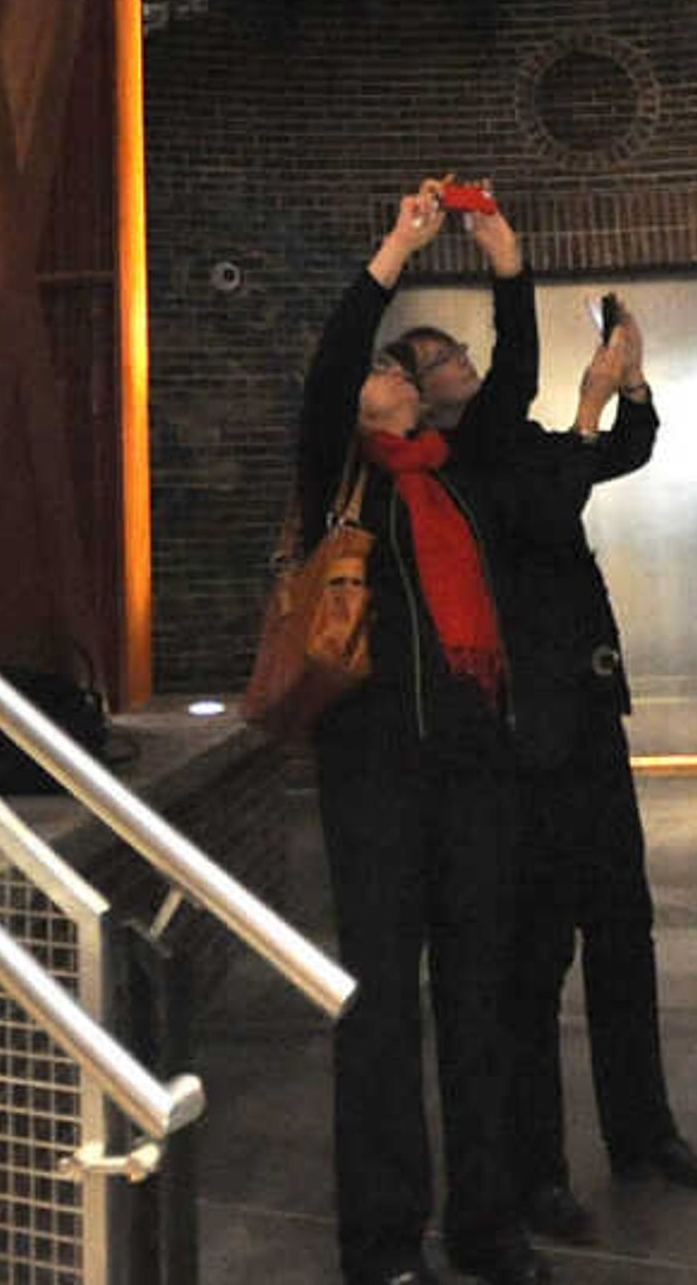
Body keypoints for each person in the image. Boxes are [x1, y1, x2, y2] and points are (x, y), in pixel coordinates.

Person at [294, 181, 550, 1285]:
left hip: (473, 767)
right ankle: (384, 1244)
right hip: (376, 775)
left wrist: (507, 262)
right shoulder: (340, 484)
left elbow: (517, 384)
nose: (396, 373)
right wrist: (396, 243)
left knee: (481, 998)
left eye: (406, 370)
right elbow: (327, 367)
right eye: (383, 371)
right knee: (383, 1009)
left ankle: (490, 1225)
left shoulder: (459, 477)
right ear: (359, 410)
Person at [483, 303, 697, 1244]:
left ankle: (644, 1133)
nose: (462, 367)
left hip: (590, 727)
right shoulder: (469, 469)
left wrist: (629, 382)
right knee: (539, 960)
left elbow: (625, 449)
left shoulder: (524, 448)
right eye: (437, 360)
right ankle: (537, 1171)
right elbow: (554, 500)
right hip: (530, 746)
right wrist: (589, 397)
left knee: (625, 936)